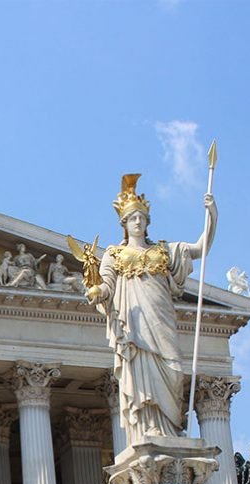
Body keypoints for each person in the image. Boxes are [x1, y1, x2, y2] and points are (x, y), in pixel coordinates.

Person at [88, 173, 216, 442]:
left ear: (147, 223)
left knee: (173, 371)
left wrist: (211, 215)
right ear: (124, 224)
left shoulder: (165, 251)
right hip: (134, 326)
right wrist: (97, 290)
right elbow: (107, 286)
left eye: (141, 218)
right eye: (132, 218)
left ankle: (169, 429)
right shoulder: (114, 255)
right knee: (140, 375)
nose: (137, 222)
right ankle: (148, 430)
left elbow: (201, 248)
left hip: (161, 319)